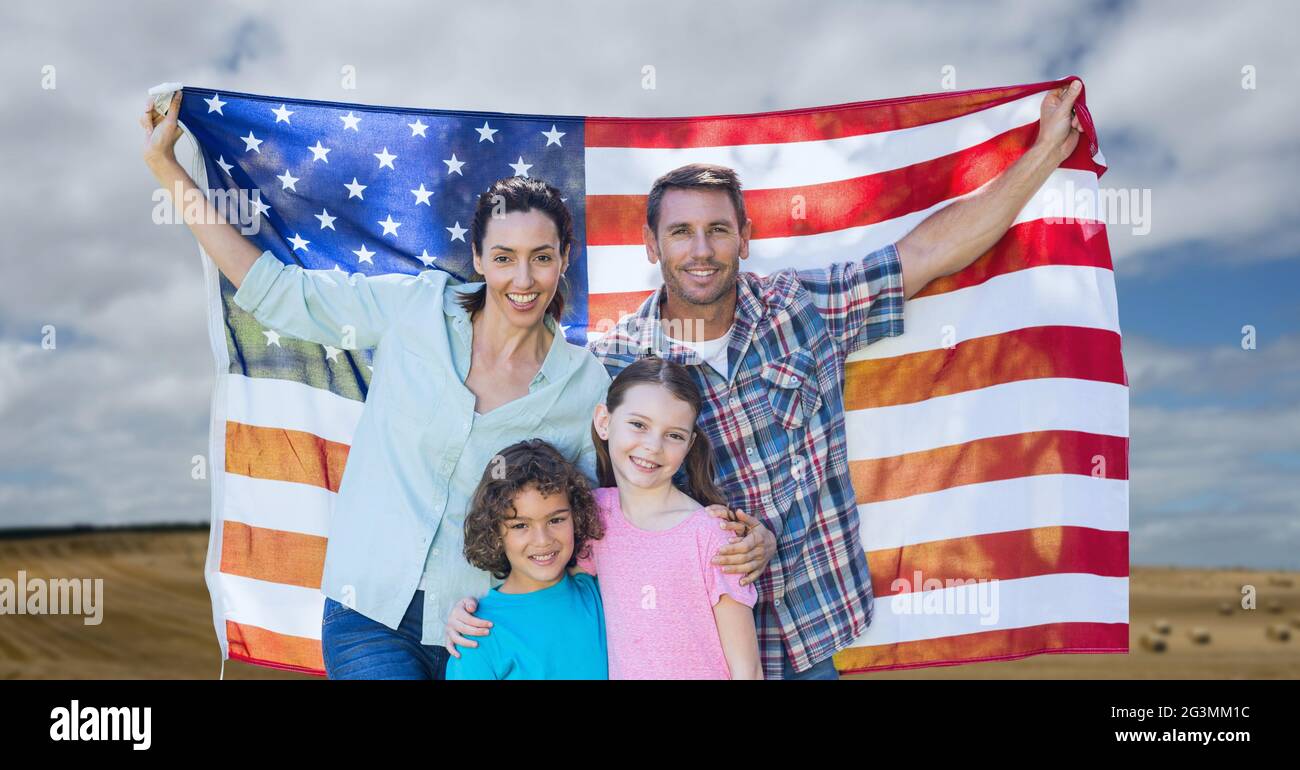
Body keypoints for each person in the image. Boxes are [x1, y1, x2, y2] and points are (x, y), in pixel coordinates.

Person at [574, 82, 1087, 679]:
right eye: (680, 231)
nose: (701, 249)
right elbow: (577, 506)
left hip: (815, 630)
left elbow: (927, 254)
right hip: (693, 652)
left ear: (745, 238)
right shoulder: (616, 366)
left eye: (717, 230)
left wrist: (1047, 150)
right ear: (650, 245)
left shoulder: (802, 310)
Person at [141, 91, 613, 679]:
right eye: (505, 257)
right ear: (478, 257)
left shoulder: (584, 383)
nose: (523, 278)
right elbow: (279, 293)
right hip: (368, 612)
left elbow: (604, 516)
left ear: (565, 258)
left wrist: (710, 535)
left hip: (486, 629)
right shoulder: (414, 308)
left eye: (541, 257)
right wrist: (166, 166)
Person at [577, 357, 762, 679]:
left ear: (689, 445)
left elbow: (747, 669)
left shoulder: (711, 535)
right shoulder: (593, 517)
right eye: (638, 424)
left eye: (673, 435)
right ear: (604, 421)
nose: (652, 446)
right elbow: (540, 586)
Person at [445, 440, 607, 680]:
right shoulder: (476, 632)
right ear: (495, 531)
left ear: (577, 517)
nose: (542, 540)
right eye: (521, 525)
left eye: (556, 520)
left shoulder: (600, 594)